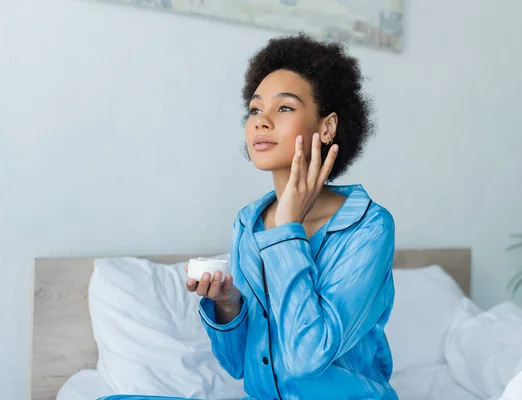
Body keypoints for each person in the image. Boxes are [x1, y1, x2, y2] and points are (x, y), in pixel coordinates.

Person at [99, 33, 397, 400]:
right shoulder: (249, 222)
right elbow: (240, 364)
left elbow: (307, 358)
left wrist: (287, 229)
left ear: (327, 127)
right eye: (255, 110)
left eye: (284, 108)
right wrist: (228, 306)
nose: (261, 121)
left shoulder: (369, 227)